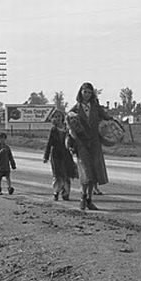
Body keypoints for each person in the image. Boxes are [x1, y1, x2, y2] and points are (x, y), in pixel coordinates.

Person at [66, 82, 112, 210]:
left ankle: (89, 200)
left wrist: (113, 126)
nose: (86, 94)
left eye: (89, 92)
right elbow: (69, 125)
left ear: (92, 94)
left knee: (95, 172)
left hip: (95, 143)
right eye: (84, 91)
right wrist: (72, 139)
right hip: (82, 144)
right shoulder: (75, 109)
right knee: (86, 172)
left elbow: (107, 118)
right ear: (80, 92)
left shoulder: (96, 107)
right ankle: (83, 197)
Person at [43, 109, 77, 201]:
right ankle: (56, 192)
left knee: (67, 174)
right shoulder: (53, 130)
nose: (58, 118)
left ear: (63, 117)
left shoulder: (67, 128)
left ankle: (66, 193)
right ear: (53, 118)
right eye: (55, 116)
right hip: (56, 155)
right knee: (57, 175)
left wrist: (73, 148)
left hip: (66, 154)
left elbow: (72, 140)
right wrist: (46, 156)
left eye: (59, 116)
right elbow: (49, 143)